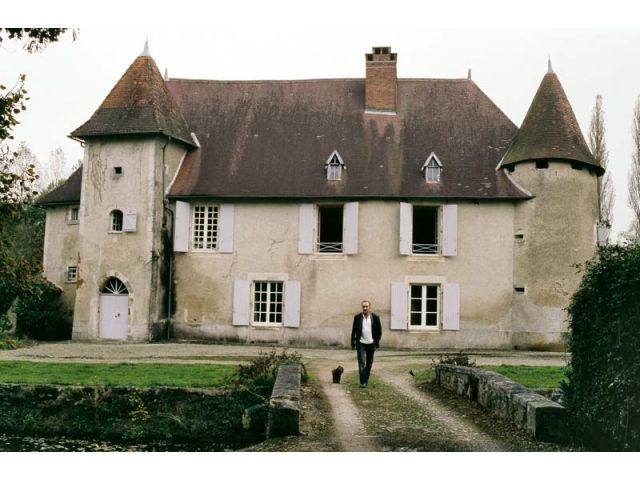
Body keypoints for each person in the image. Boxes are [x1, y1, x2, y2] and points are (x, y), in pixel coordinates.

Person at [351, 300, 382, 388]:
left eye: (366, 306)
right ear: (362, 307)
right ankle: (363, 382)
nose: (365, 308)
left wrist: (377, 340)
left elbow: (379, 331)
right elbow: (354, 331)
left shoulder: (375, 317)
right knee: (361, 362)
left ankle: (366, 379)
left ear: (369, 307)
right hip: (361, 343)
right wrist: (352, 343)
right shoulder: (357, 317)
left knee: (369, 363)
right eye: (363, 306)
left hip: (371, 343)